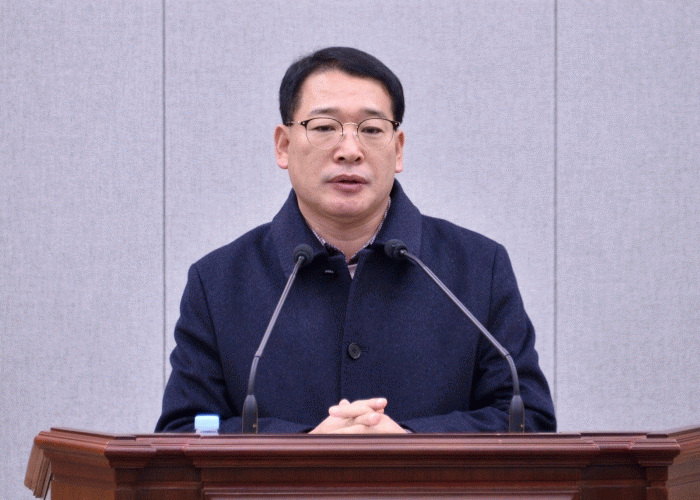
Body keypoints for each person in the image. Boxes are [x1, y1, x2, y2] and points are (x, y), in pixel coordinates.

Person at [155, 47, 556, 434]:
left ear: (398, 149)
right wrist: (305, 447)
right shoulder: (219, 282)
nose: (349, 151)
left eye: (372, 130)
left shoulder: (478, 268)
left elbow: (528, 421)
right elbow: (184, 430)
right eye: (324, 127)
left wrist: (410, 442)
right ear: (284, 145)